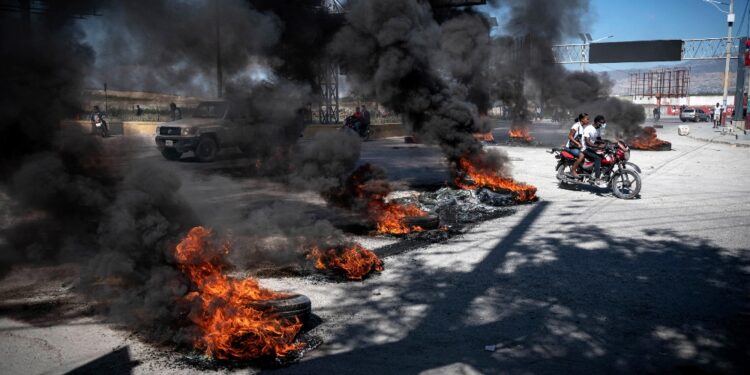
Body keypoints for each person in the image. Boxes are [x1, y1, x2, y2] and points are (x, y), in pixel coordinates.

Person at [580, 115, 606, 186]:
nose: (602, 125)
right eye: (601, 123)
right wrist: (598, 146)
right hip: (585, 148)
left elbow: (599, 139)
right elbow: (587, 142)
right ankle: (597, 178)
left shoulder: (598, 128)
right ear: (597, 122)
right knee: (598, 158)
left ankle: (595, 171)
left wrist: (607, 143)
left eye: (603, 123)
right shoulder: (588, 129)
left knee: (604, 155)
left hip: (592, 148)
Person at [568, 113, 590, 178]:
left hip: (576, 147)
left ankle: (581, 170)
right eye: (587, 119)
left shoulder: (582, 127)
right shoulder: (576, 126)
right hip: (571, 147)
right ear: (582, 119)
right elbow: (569, 136)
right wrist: (578, 144)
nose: (588, 120)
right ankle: (573, 170)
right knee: (582, 155)